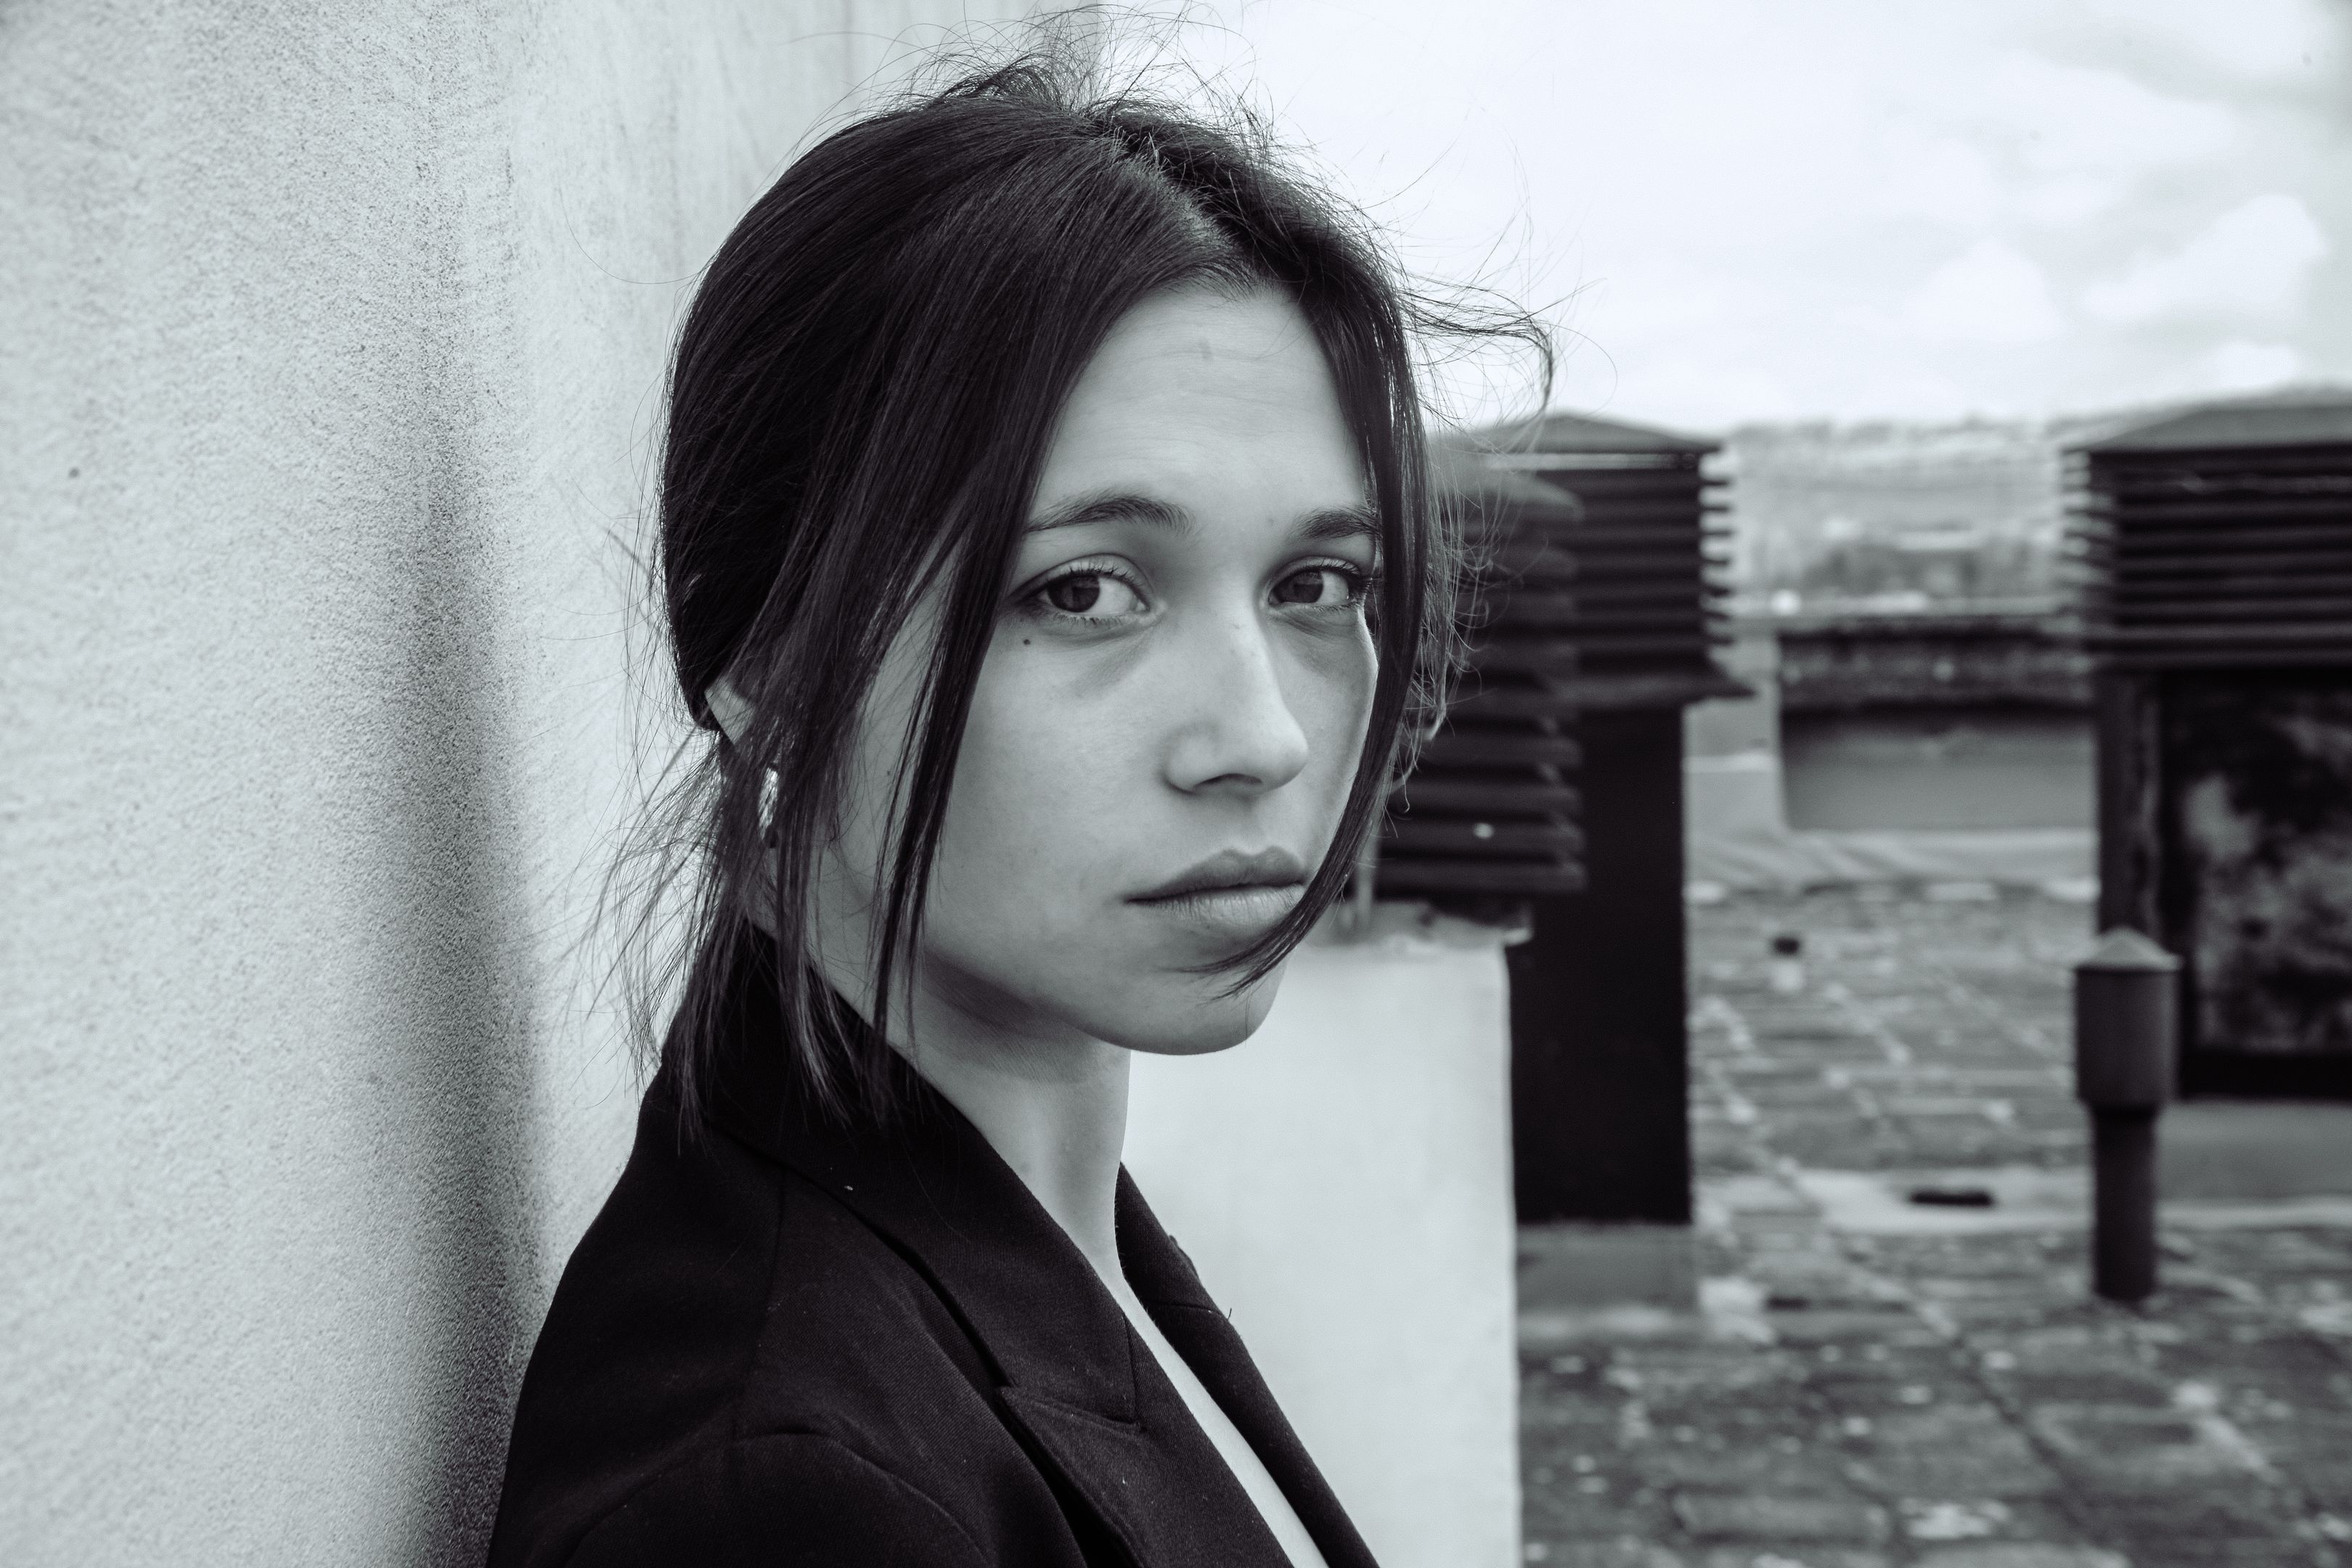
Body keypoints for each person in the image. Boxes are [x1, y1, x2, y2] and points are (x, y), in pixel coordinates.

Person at [489, 52, 1517, 1568]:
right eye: (1085, 592)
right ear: (769, 662)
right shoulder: (784, 1505)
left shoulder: (1041, 1235)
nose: (1262, 738)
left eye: (1316, 582)